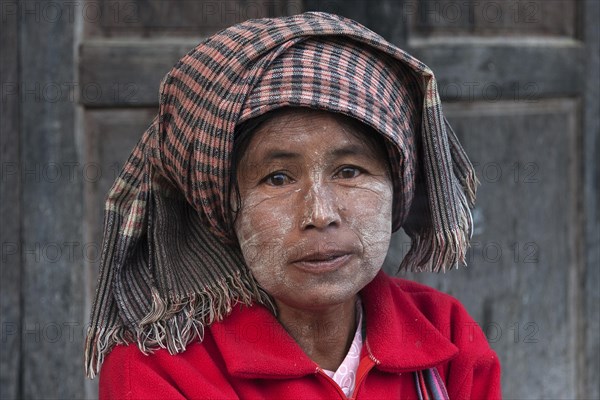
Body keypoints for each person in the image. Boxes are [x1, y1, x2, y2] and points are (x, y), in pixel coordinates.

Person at [85, 12, 501, 399]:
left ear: (396, 184)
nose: (320, 214)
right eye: (278, 178)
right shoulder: (159, 367)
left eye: (350, 171)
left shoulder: (445, 334)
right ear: (225, 203)